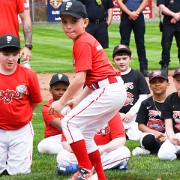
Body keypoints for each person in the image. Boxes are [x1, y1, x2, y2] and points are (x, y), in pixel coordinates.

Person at [49, 1, 127, 180]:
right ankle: (100, 176)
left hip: (109, 89)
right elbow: (92, 81)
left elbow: (80, 79)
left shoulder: (82, 42)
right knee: (86, 134)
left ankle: (85, 170)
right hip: (111, 88)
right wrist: (76, 100)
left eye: (73, 21)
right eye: (64, 21)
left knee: (68, 122)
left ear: (85, 22)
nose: (68, 26)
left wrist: (61, 102)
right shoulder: (85, 40)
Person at [0, 34, 42, 175]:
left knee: (19, 172)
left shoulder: (28, 75)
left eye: (14, 54)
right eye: (5, 54)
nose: (10, 58)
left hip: (21, 130)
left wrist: (22, 115)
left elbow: (35, 100)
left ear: (19, 54)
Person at [57, 113, 130, 175]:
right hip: (81, 153)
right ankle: (113, 165)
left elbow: (120, 139)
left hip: (104, 152)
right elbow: (66, 143)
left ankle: (78, 168)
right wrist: (85, 151)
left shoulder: (112, 112)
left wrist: (104, 148)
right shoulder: (75, 113)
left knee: (124, 151)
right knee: (62, 156)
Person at [112, 44, 150, 141]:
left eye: (124, 58)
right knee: (108, 136)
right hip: (114, 115)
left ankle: (126, 134)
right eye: (118, 59)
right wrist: (116, 114)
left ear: (130, 59)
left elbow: (143, 97)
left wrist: (131, 113)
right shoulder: (111, 76)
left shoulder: (137, 75)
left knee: (136, 137)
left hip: (134, 115)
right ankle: (122, 132)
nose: (121, 62)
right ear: (113, 61)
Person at [132, 70, 169, 156]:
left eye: (161, 81)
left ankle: (150, 151)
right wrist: (155, 133)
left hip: (168, 134)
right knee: (148, 139)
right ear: (150, 86)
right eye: (153, 82)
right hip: (150, 134)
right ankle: (163, 150)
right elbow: (140, 125)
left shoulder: (172, 103)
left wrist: (167, 136)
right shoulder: (145, 103)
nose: (157, 84)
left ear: (168, 84)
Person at [37, 73, 70, 154]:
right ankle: (74, 149)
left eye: (64, 89)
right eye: (57, 89)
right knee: (42, 147)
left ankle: (72, 148)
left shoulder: (73, 103)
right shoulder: (47, 107)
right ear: (50, 90)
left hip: (71, 136)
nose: (61, 92)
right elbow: (63, 127)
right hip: (55, 139)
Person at [116, 0, 150, 77]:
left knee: (140, 44)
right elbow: (119, 2)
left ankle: (144, 68)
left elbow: (145, 2)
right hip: (126, 16)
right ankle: (122, 68)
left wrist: (136, 13)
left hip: (139, 15)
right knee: (124, 44)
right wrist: (130, 13)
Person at [158, 67, 180, 160]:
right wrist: (171, 138)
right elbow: (169, 126)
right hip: (176, 136)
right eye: (178, 80)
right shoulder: (170, 100)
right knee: (163, 155)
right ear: (174, 81)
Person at [0, 0, 33, 64]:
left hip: (10, 45)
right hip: (10, 45)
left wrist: (28, 46)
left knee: (12, 73)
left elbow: (25, 18)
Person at [157, 0, 180, 75]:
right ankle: (165, 64)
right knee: (166, 44)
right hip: (168, 22)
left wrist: (177, 16)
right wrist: (174, 15)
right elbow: (161, 7)